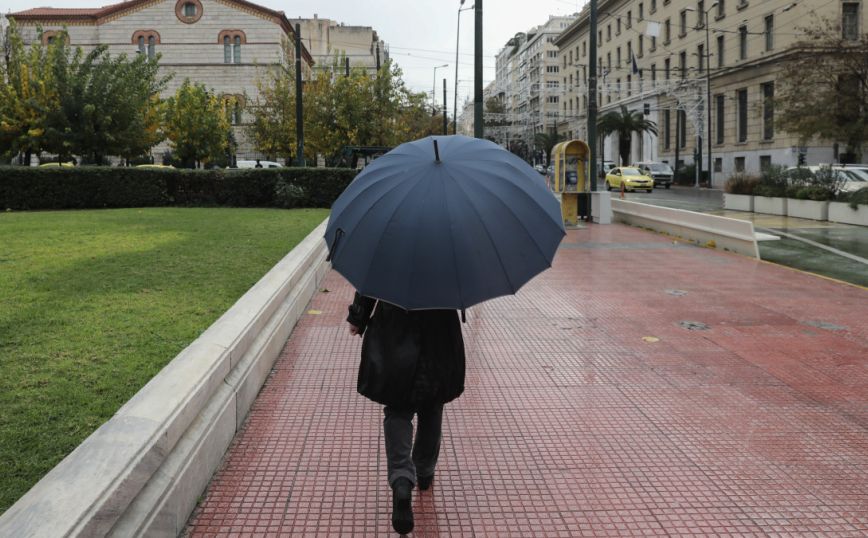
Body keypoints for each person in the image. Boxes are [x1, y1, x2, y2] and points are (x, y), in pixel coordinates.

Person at [347, 292, 465, 535]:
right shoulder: (448, 253)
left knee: (397, 408)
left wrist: (359, 316)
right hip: (439, 325)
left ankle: (402, 479)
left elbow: (370, 282)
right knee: (432, 405)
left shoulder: (386, 252)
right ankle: (424, 471)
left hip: (394, 324)